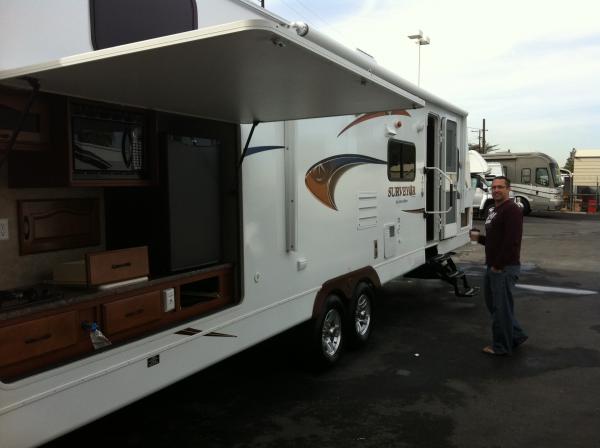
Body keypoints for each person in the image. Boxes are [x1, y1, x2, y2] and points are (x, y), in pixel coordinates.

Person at [470, 176, 528, 355]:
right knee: (494, 305)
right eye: (493, 187)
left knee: (500, 308)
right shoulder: (493, 210)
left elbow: (512, 241)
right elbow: (495, 241)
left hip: (503, 267)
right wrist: (478, 239)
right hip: (493, 265)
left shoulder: (512, 210)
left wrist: (498, 265)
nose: (496, 190)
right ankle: (516, 335)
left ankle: (501, 347)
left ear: (508, 189)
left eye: (500, 187)